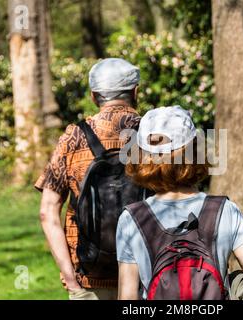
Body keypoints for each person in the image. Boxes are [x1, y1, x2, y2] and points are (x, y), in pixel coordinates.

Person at [116, 105, 243, 300]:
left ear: (141, 158)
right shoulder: (225, 210)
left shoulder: (131, 219)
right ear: (195, 152)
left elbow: (128, 298)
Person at [36, 58, 141, 300]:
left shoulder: (74, 137)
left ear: (94, 96)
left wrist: (72, 282)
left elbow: (47, 212)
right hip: (146, 277)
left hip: (89, 276)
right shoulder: (153, 133)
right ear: (135, 92)